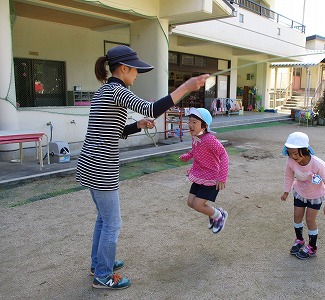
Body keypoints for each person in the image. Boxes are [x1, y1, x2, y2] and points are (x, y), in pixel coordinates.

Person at [76, 45, 209, 289]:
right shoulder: (118, 90)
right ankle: (103, 276)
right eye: (135, 70)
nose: (137, 75)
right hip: (102, 165)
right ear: (123, 69)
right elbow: (151, 108)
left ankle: (99, 264)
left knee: (104, 220)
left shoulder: (105, 91)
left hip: (90, 163)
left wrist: (137, 126)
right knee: (112, 223)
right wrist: (186, 87)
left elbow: (113, 131)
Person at [280, 132, 325, 260]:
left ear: (304, 150)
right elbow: (288, 176)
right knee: (297, 217)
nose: (293, 156)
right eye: (290, 153)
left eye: (295, 153)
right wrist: (286, 192)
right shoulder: (290, 161)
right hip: (299, 192)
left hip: (315, 195)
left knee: (310, 220)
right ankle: (299, 240)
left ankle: (312, 247)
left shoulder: (318, 164)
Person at [179, 107, 229, 234]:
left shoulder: (210, 140)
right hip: (199, 175)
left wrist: (222, 177)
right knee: (190, 203)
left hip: (211, 179)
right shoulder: (196, 136)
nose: (190, 125)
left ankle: (219, 216)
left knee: (198, 205)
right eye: (189, 121)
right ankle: (214, 214)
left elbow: (224, 155)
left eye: (194, 122)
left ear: (204, 125)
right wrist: (188, 156)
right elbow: (195, 150)